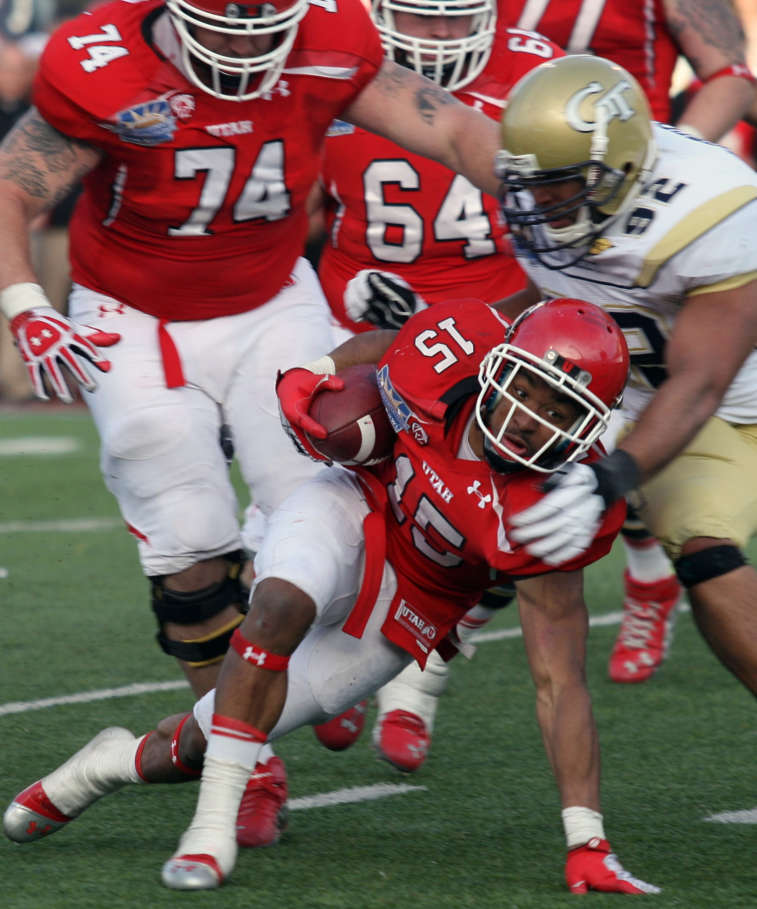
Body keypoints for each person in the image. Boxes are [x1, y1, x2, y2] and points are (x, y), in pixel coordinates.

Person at [0, 0, 505, 846]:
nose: (244, 42)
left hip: (271, 300)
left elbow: (453, 129)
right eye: (226, 22)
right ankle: (252, 756)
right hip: (133, 311)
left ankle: (301, 681)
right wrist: (24, 304)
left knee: (323, 498)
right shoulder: (100, 57)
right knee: (187, 531)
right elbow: (14, 190)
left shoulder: (331, 37)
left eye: (264, 22)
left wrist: (549, 194)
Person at [4, 296, 660, 896]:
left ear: (588, 424)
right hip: (356, 503)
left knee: (201, 739)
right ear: (499, 364)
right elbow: (388, 344)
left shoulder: (554, 512)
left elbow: (559, 682)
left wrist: (587, 837)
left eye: (558, 410)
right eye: (526, 388)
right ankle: (210, 830)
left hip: (412, 605)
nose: (529, 418)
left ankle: (104, 765)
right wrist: (316, 368)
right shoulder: (457, 346)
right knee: (279, 603)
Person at [305, 0, 565, 771]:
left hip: (492, 334)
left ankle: (417, 674)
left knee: (500, 518)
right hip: (354, 320)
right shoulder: (334, 65)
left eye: (457, 19)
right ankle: (326, 657)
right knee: (328, 501)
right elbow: (286, 203)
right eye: (421, 19)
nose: (440, 36)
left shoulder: (536, 68)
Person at [501, 0, 757, 684]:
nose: (540, 203)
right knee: (704, 556)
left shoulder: (709, 209)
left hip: (720, 396)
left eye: (558, 186)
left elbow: (699, 381)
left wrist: (609, 477)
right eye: (533, 185)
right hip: (687, 415)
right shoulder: (567, 206)